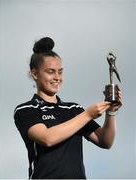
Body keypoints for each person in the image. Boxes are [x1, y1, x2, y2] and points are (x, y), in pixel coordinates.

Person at [14, 37, 122, 179]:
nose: (57, 77)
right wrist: (88, 115)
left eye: (60, 71)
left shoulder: (73, 109)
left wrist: (111, 112)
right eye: (50, 71)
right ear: (35, 74)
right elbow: (47, 138)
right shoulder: (26, 109)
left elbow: (105, 141)